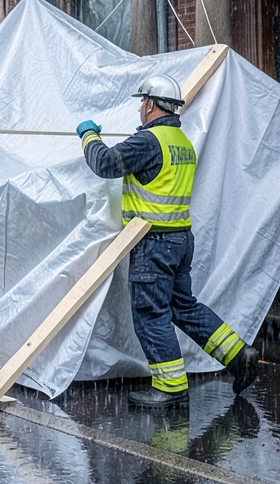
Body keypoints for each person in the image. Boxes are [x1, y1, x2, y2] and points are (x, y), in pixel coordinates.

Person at [76, 74, 259, 409]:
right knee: (182, 307)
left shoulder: (148, 142)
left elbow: (104, 164)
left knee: (151, 314)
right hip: (179, 239)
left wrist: (89, 135)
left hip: (154, 243)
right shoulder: (181, 141)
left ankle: (171, 387)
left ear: (149, 103)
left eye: (140, 104)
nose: (139, 110)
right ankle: (238, 354)